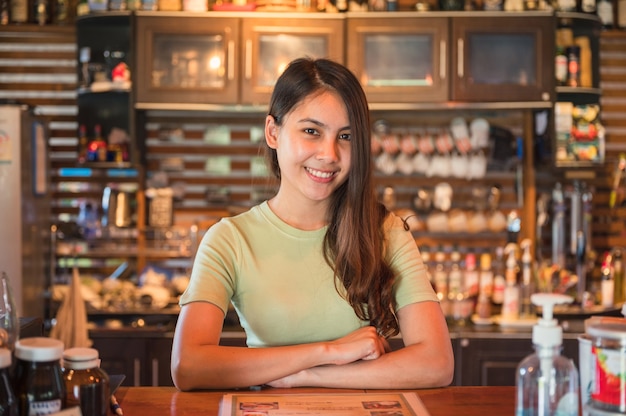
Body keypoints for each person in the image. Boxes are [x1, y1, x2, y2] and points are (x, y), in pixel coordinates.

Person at [170, 57, 454, 391]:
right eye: (311, 131)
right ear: (273, 132)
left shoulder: (385, 232)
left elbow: (437, 364)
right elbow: (189, 366)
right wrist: (329, 351)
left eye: (345, 136)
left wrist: (310, 375)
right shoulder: (229, 239)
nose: (329, 154)